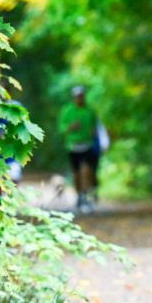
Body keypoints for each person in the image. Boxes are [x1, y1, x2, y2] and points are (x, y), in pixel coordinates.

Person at [58, 85, 99, 213]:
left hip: (87, 145)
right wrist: (71, 127)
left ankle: (86, 195)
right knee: (76, 173)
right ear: (74, 97)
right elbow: (62, 128)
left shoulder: (90, 111)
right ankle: (80, 196)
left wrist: (93, 133)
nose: (79, 98)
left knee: (86, 170)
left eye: (81, 96)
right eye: (77, 96)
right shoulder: (67, 111)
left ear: (84, 96)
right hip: (73, 146)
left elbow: (95, 126)